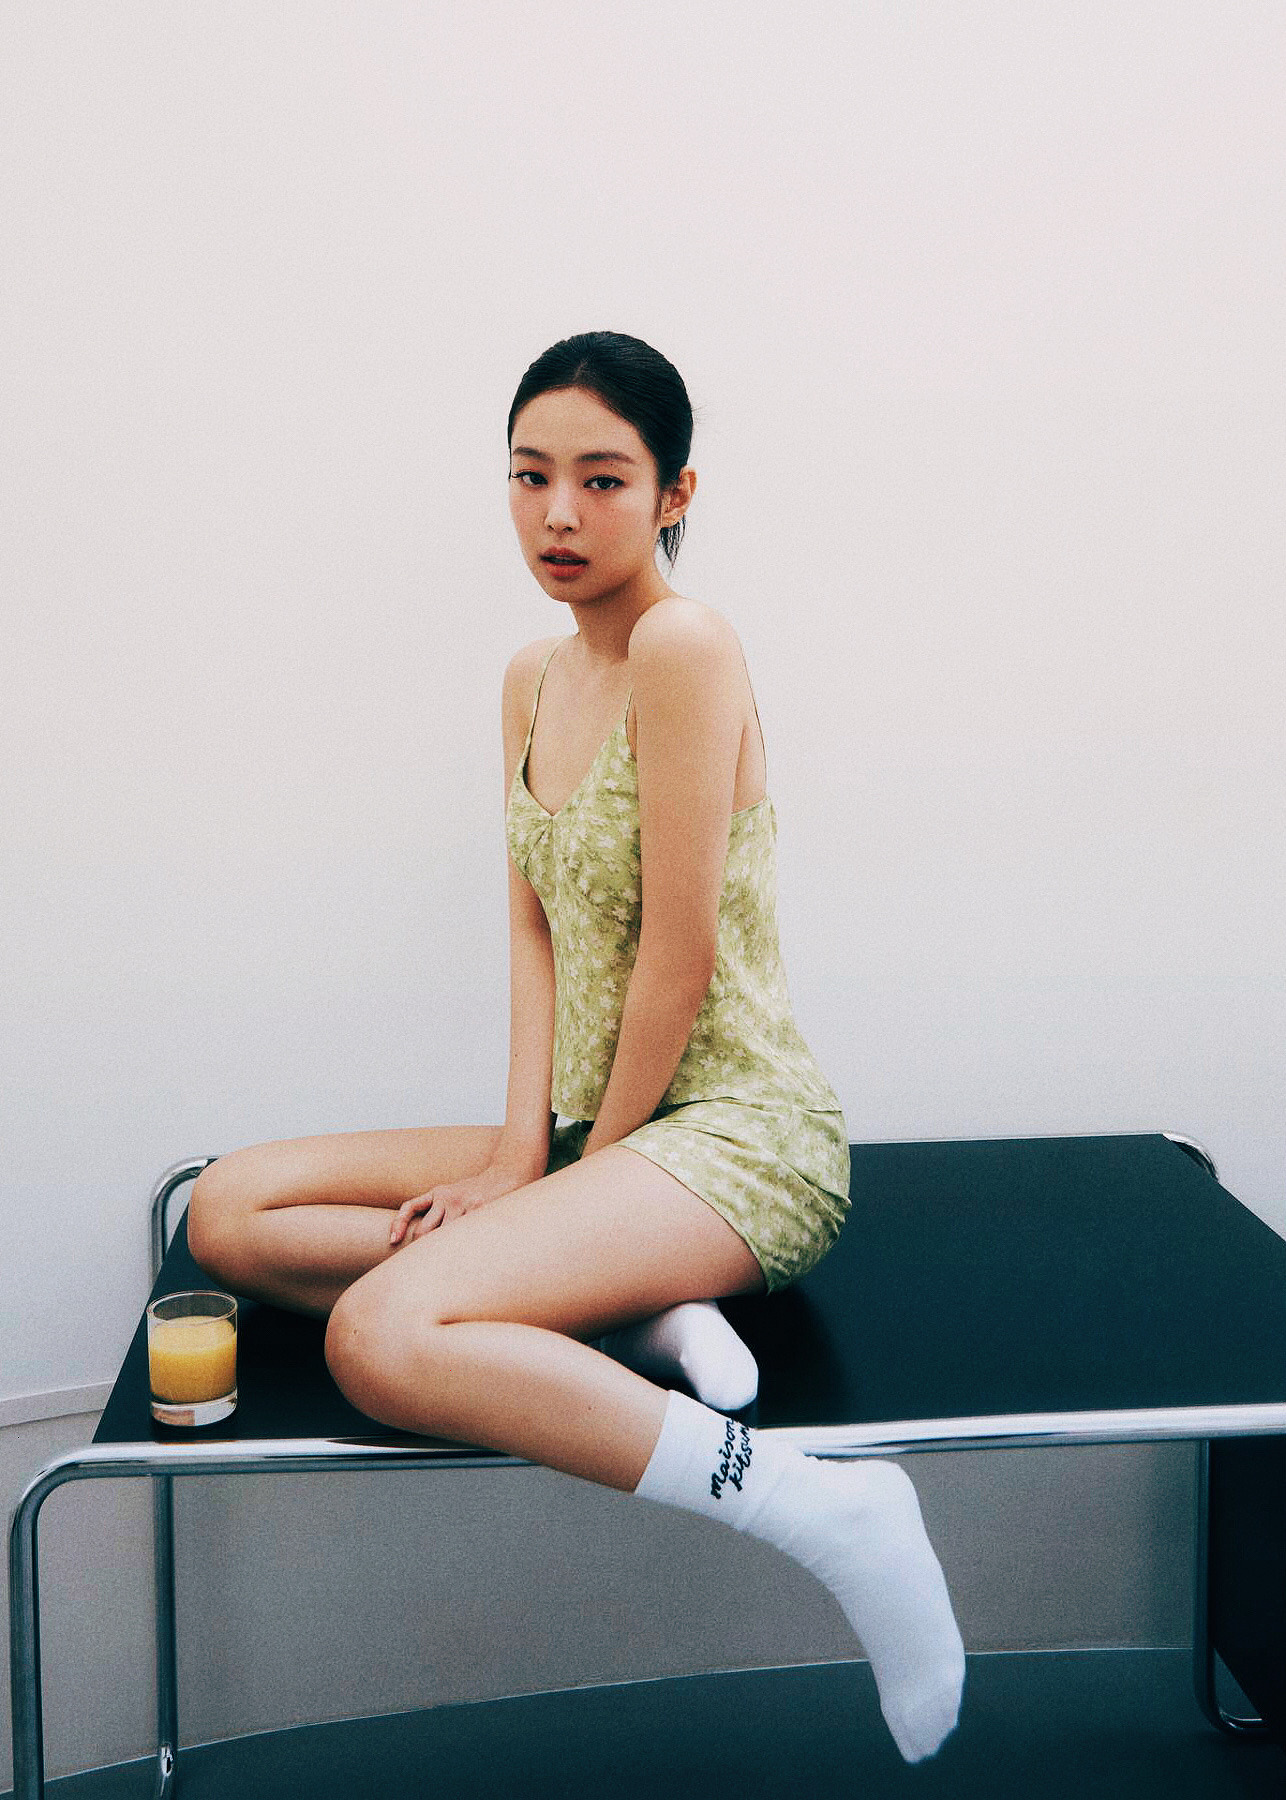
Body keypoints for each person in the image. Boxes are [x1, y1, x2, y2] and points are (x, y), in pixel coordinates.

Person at [187, 330, 966, 1763]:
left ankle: (825, 1508)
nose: (557, 513)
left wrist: (564, 1182)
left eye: (602, 480)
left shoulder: (686, 645)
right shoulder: (530, 678)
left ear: (673, 494)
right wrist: (514, 1160)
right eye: (529, 476)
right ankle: (622, 1311)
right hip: (595, 1127)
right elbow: (534, 936)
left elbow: (676, 951)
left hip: (734, 1130)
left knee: (379, 1333)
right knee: (229, 1212)